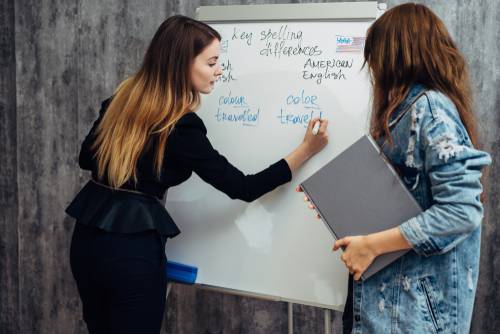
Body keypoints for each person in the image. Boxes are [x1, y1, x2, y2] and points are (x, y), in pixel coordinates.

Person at [66, 15, 328, 334]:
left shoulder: (120, 101)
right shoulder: (180, 126)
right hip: (130, 254)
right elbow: (241, 186)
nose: (220, 70)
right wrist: (306, 149)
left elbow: (85, 158)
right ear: (181, 64)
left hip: (86, 242)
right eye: (212, 62)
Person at [299, 3, 491, 333]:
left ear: (392, 57)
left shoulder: (429, 110)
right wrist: (346, 211)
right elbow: (407, 200)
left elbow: (461, 211)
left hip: (414, 314)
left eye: (374, 58)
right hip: (388, 306)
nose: (372, 70)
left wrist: (371, 245)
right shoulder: (405, 113)